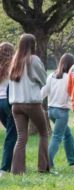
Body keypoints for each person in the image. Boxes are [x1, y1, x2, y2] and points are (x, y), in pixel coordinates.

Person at [8, 34, 49, 174]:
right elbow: (44, 80)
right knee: (44, 133)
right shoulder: (33, 60)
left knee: (21, 137)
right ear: (33, 44)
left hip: (15, 105)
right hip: (31, 103)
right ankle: (43, 168)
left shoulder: (14, 61)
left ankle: (17, 170)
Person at [41, 53, 74, 169]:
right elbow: (72, 95)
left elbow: (43, 93)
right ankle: (47, 163)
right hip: (62, 112)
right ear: (71, 64)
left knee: (67, 134)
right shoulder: (69, 77)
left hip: (51, 111)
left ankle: (73, 162)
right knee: (57, 137)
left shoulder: (51, 76)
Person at [0, 42, 16, 172]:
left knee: (12, 134)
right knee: (12, 136)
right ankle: (5, 168)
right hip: (8, 101)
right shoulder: (13, 66)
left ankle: (14, 163)